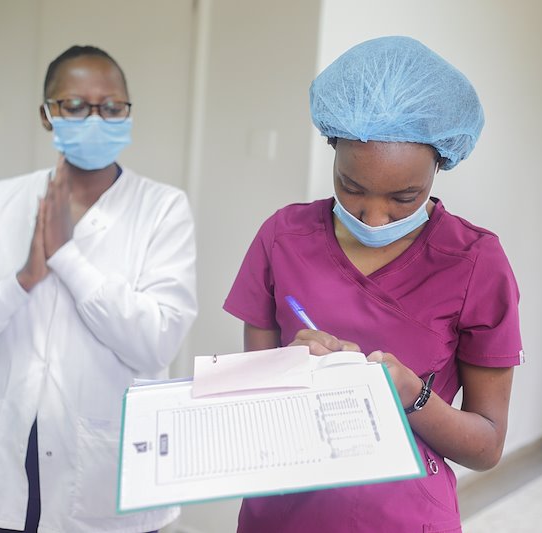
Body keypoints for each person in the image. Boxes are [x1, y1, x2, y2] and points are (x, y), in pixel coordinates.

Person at [223, 36, 522, 532]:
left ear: (440, 165)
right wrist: (291, 365)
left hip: (404, 518)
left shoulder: (474, 262)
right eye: (352, 187)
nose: (375, 216)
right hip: (281, 514)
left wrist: (413, 396)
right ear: (333, 150)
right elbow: (252, 406)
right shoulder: (284, 237)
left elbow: (487, 446)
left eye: (406, 196)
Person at [0, 45, 197, 533]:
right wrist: (21, 280)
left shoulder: (162, 208)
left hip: (115, 466)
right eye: (74, 105)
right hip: (17, 458)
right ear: (47, 116)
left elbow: (157, 341)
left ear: (128, 112)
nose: (96, 118)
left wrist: (67, 257)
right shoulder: (0, 202)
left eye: (111, 107)